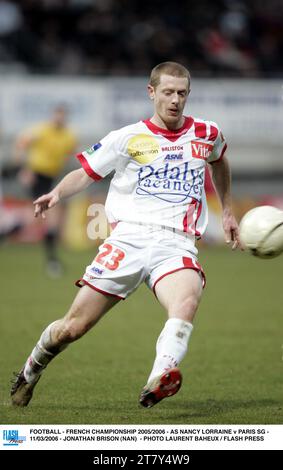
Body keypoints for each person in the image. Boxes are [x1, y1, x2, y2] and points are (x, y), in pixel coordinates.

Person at [11, 62, 240, 409]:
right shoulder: (127, 137)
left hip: (176, 242)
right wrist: (57, 193)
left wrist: (226, 210)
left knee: (187, 300)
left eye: (181, 93)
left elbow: (219, 160)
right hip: (128, 240)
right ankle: (30, 370)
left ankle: (160, 376)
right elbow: (86, 174)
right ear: (152, 93)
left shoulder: (207, 133)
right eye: (168, 92)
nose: (175, 100)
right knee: (72, 328)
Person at [13, 104, 77, 277]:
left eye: (62, 116)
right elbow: (21, 144)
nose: (59, 118)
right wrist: (23, 169)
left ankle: (52, 260)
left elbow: (70, 154)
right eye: (57, 115)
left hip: (52, 178)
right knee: (44, 217)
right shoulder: (41, 130)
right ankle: (52, 261)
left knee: (47, 220)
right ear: (52, 116)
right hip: (36, 175)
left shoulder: (68, 136)